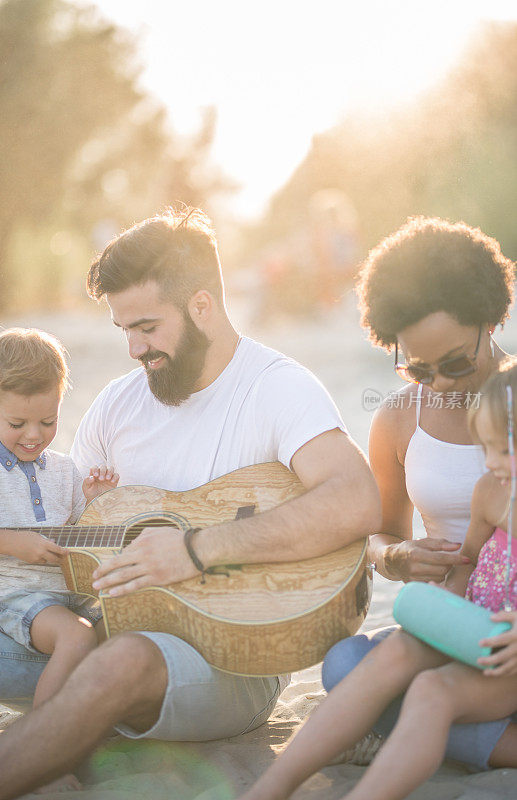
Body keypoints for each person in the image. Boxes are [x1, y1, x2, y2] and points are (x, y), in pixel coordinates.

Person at [0, 207, 381, 798]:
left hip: (234, 655)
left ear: (202, 305)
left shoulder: (277, 388)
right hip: (102, 628)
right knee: (101, 643)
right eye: (123, 329)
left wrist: (196, 549)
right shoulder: (116, 406)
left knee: (123, 658)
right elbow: (73, 545)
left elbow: (355, 499)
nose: (133, 348)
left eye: (148, 327)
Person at [238, 358, 517, 800]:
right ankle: (270, 788)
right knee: (396, 663)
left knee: (432, 692)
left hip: (510, 652)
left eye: (502, 447)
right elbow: (470, 567)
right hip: (478, 630)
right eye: (484, 447)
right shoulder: (490, 491)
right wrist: (435, 614)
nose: (490, 462)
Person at [322, 216, 517, 769]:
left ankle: (434, 731)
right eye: (419, 370)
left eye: (457, 361)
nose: (445, 384)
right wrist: (397, 556)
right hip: (454, 622)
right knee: (343, 667)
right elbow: (378, 535)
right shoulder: (398, 420)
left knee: (384, 699)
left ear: (491, 318)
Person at [0, 328, 118, 792]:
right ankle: (41, 747)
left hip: (64, 592)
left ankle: (85, 728)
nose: (34, 436)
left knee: (125, 620)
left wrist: (94, 504)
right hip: (14, 596)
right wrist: (12, 542)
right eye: (17, 424)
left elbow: (75, 536)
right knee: (75, 637)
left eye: (47, 422)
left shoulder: (65, 471)